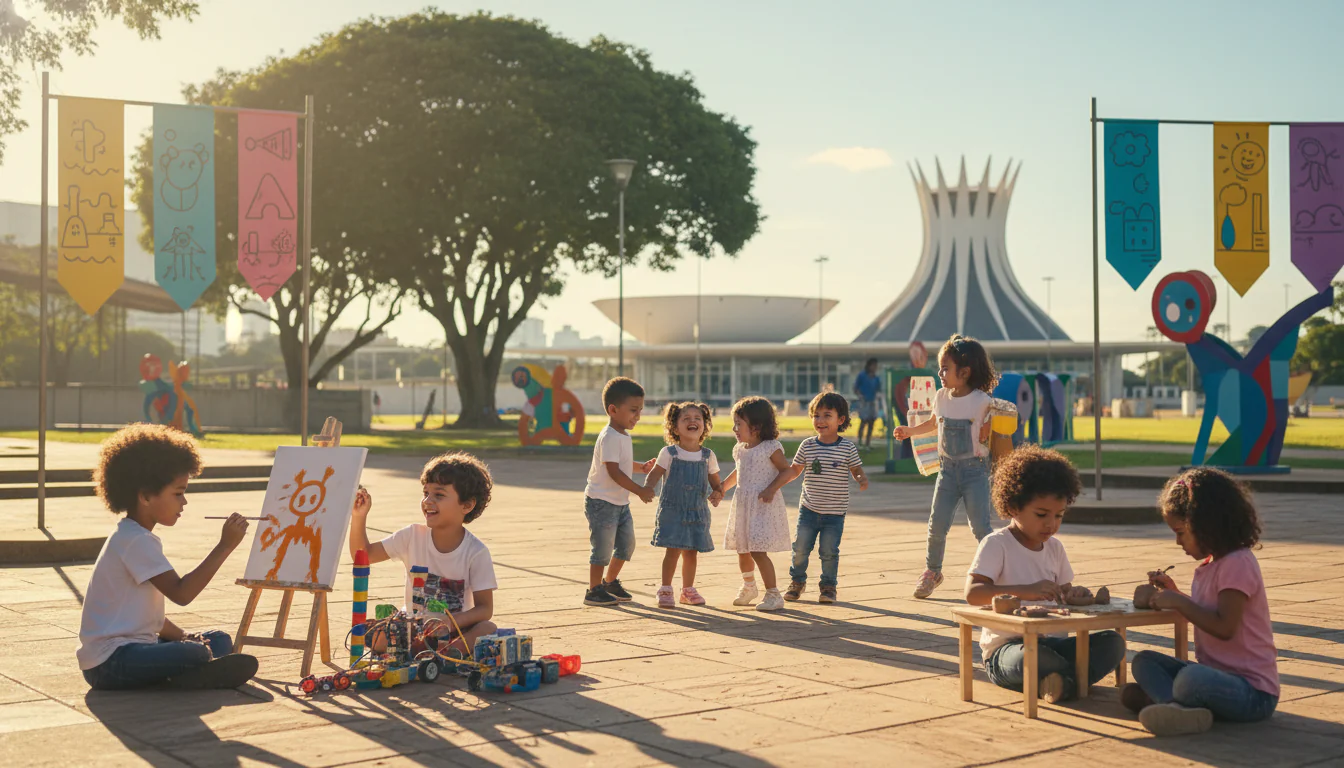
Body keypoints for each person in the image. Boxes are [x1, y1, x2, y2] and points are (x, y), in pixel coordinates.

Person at [78, 424, 258, 690]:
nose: (183, 502)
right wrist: (225, 546)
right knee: (194, 652)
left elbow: (152, 619)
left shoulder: (135, 535)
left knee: (217, 640)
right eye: (178, 493)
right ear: (146, 495)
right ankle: (190, 672)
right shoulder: (135, 541)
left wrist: (187, 636)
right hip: (109, 663)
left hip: (137, 647)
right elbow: (182, 594)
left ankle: (191, 669)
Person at [965, 444, 1126, 703]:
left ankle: (1060, 682)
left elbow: (1063, 593)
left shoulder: (1055, 548)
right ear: (1014, 506)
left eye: (1059, 516)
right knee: (1034, 657)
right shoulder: (997, 544)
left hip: (1053, 642)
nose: (1051, 524)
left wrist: (1075, 595)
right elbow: (973, 594)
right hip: (1007, 649)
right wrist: (1025, 591)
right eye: (1041, 515)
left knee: (1113, 643)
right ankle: (1070, 681)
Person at [1126, 468, 1279, 737]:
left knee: (1190, 679)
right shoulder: (1211, 565)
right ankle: (1177, 709)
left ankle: (1170, 703)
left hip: (1253, 693)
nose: (1177, 542)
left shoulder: (1237, 563)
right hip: (1216, 676)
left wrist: (1180, 603)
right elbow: (1206, 612)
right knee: (1143, 661)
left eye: (1181, 532)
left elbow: (1224, 627)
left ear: (1208, 524)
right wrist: (1176, 594)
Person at [348, 452, 498, 656]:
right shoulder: (412, 535)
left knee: (487, 628)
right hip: (411, 628)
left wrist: (450, 623)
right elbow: (364, 556)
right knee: (370, 633)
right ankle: (427, 652)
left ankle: (446, 653)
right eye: (425, 493)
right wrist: (359, 517)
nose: (428, 501)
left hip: (454, 630)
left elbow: (484, 609)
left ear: (467, 505)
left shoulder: (476, 552)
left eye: (439, 495)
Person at [894, 334, 998, 599]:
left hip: (975, 471)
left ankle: (996, 572)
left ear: (965, 372)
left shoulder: (981, 401)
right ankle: (932, 572)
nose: (940, 373)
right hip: (947, 472)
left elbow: (999, 429)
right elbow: (932, 423)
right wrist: (910, 431)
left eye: (945, 368)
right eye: (940, 367)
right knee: (936, 525)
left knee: (981, 527)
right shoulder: (941, 396)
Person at [764, 391, 868, 604]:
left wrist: (860, 477)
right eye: (816, 415)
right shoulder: (808, 445)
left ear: (840, 420)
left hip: (835, 513)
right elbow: (794, 471)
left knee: (829, 551)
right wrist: (773, 486)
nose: (820, 420)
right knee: (800, 548)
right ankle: (797, 582)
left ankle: (828, 587)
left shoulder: (847, 447)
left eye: (827, 415)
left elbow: (856, 468)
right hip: (809, 509)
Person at [582, 377, 656, 607]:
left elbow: (622, 463)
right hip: (601, 502)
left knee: (626, 545)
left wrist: (640, 467)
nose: (638, 416)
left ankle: (609, 582)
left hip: (619, 503)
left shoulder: (622, 434)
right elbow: (614, 472)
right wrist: (640, 490)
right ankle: (593, 590)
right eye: (633, 410)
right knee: (602, 549)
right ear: (613, 410)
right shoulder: (610, 436)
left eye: (640, 410)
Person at [642, 402, 722, 608]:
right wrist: (648, 487)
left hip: (697, 511)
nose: (692, 421)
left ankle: (688, 590)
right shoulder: (669, 453)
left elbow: (715, 481)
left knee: (691, 552)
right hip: (673, 511)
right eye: (686, 419)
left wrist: (717, 493)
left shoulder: (708, 456)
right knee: (673, 550)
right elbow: (655, 474)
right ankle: (665, 588)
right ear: (675, 427)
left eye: (697, 418)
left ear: (705, 425)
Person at [719, 396, 791, 611]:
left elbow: (786, 471)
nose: (735, 428)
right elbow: (738, 473)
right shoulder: (739, 448)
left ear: (757, 426)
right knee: (743, 549)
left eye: (739, 423)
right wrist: (722, 487)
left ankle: (773, 594)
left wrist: (771, 488)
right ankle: (749, 585)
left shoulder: (770, 447)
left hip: (762, 505)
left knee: (758, 550)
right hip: (743, 505)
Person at [853, 357, 883, 450]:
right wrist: (860, 395)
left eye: (876, 366)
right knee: (863, 421)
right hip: (864, 402)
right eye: (873, 365)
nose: (875, 367)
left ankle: (867, 444)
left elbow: (878, 389)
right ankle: (860, 442)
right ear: (869, 365)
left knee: (871, 423)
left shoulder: (876, 377)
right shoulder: (862, 375)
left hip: (872, 402)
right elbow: (855, 387)